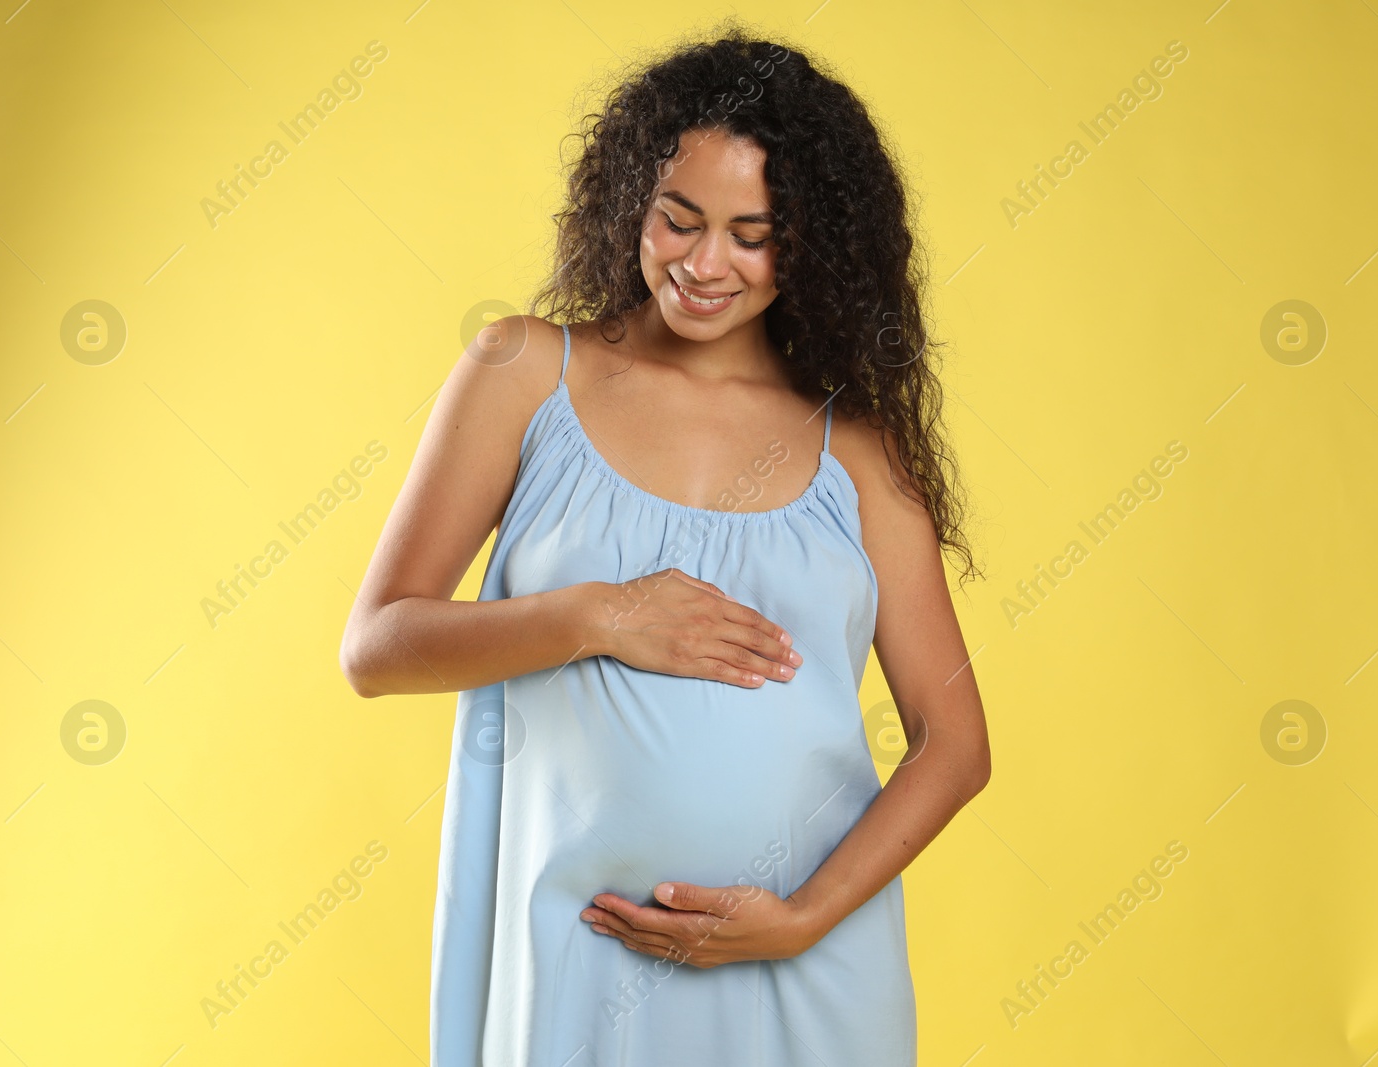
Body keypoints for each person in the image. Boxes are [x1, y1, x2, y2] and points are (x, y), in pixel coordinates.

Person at [340, 24, 990, 1066]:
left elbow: (954, 744)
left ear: (810, 241)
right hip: (578, 953)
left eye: (751, 233)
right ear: (630, 203)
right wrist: (602, 614)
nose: (702, 263)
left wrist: (805, 915)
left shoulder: (858, 452)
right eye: (678, 219)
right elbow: (376, 646)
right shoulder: (523, 371)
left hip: (805, 967)